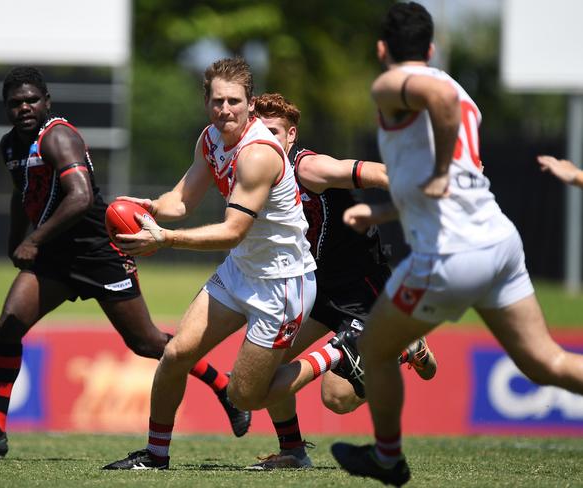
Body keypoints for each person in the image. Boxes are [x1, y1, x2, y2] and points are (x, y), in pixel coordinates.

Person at [331, 3, 583, 486]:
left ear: (382, 49)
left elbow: (438, 114)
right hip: (498, 242)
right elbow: (454, 183)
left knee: (377, 352)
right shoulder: (464, 93)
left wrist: (442, 169)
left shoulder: (394, 84)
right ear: (430, 47)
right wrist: (384, 211)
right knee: (545, 362)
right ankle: (386, 456)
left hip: (450, 255)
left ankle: (387, 458)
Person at [0, 66, 250, 459]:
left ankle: (223, 387)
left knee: (146, 342)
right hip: (55, 258)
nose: (24, 107)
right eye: (15, 102)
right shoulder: (10, 146)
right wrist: (15, 243)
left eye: (31, 100)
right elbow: (21, 194)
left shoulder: (58, 136)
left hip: (98, 252)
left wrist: (34, 239)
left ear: (47, 102)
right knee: (9, 324)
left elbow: (81, 196)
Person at [103, 58, 376, 470]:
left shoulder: (258, 155)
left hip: (282, 284)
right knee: (176, 354)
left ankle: (339, 353)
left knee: (245, 395)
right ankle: (155, 456)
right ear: (206, 102)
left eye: (234, 101)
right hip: (241, 270)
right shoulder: (210, 139)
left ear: (250, 104)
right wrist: (151, 209)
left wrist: (166, 239)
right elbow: (182, 199)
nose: (224, 109)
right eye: (217, 101)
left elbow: (232, 231)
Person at [247, 93, 438, 470]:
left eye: (273, 132)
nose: (264, 140)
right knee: (264, 363)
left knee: (335, 398)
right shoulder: (253, 171)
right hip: (314, 288)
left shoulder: (308, 168)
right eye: (258, 131)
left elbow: (371, 172)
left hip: (360, 289)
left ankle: (399, 346)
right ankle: (293, 453)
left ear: (290, 137)